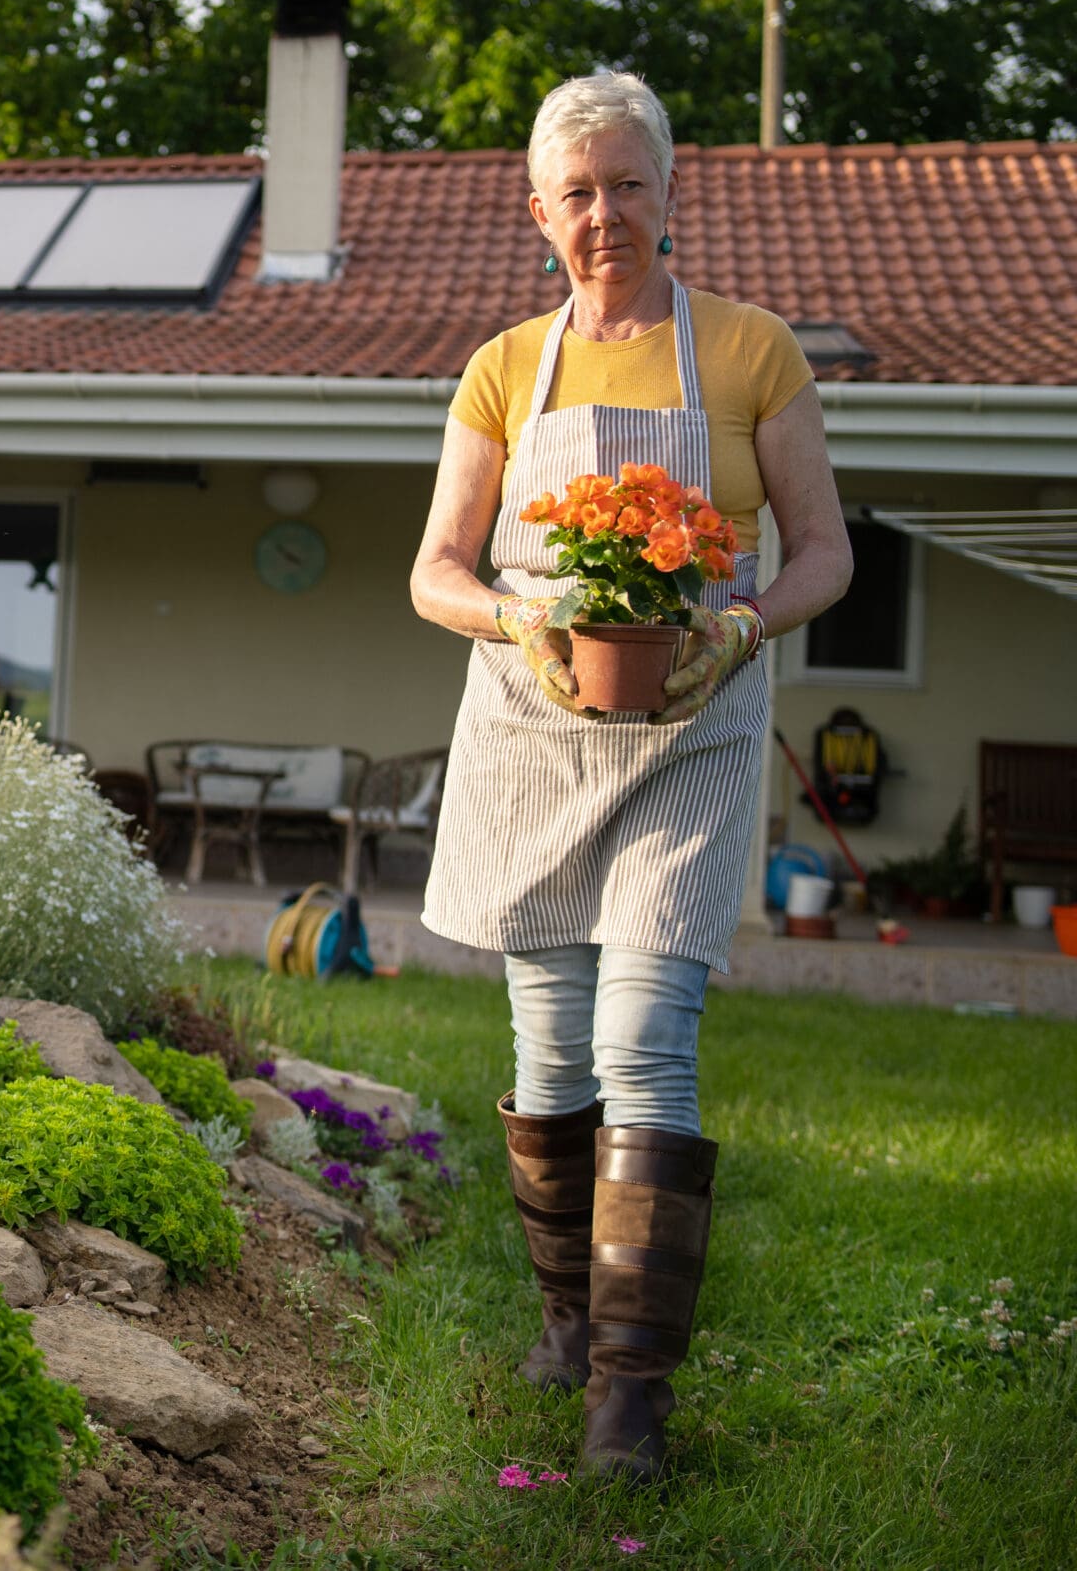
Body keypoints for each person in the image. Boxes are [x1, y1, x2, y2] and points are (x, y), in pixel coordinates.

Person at [406, 72, 853, 1481]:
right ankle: (563, 1318)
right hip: (535, 731)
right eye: (577, 191)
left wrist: (739, 622)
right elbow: (436, 571)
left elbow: (825, 551)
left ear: (674, 194)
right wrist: (518, 618)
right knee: (548, 1056)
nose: (606, 214)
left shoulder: (748, 351)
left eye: (629, 184)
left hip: (695, 733)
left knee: (645, 1040)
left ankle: (629, 1395)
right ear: (539, 211)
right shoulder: (500, 366)